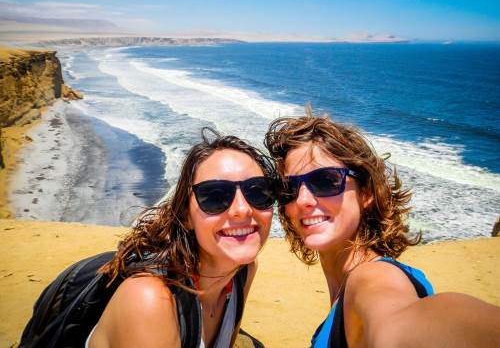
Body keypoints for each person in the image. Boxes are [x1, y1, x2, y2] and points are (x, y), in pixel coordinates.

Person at [264, 113, 500, 348]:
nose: (303, 199)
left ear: (366, 193)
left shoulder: (371, 279)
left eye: (326, 181)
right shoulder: (351, 284)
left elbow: (400, 324)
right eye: (289, 188)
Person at [87, 129, 276, 348]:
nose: (242, 210)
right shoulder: (151, 300)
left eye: (258, 192)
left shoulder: (242, 273)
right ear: (186, 216)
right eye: (215, 196)